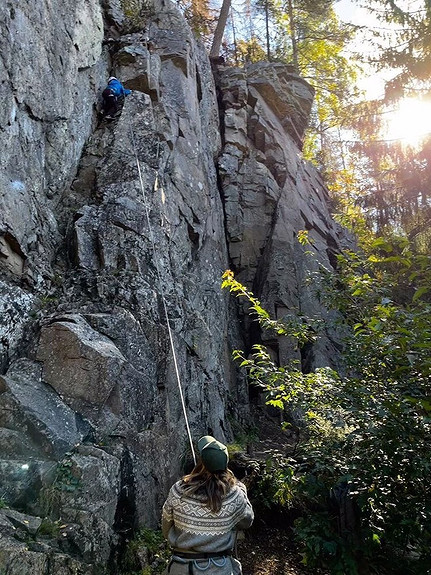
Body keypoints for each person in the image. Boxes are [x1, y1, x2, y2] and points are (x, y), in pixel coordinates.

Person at [162, 436, 254, 575]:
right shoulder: (234, 495)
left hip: (181, 567)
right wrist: (241, 489)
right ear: (225, 465)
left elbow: (166, 527)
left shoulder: (178, 490)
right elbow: (247, 521)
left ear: (201, 463)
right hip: (219, 568)